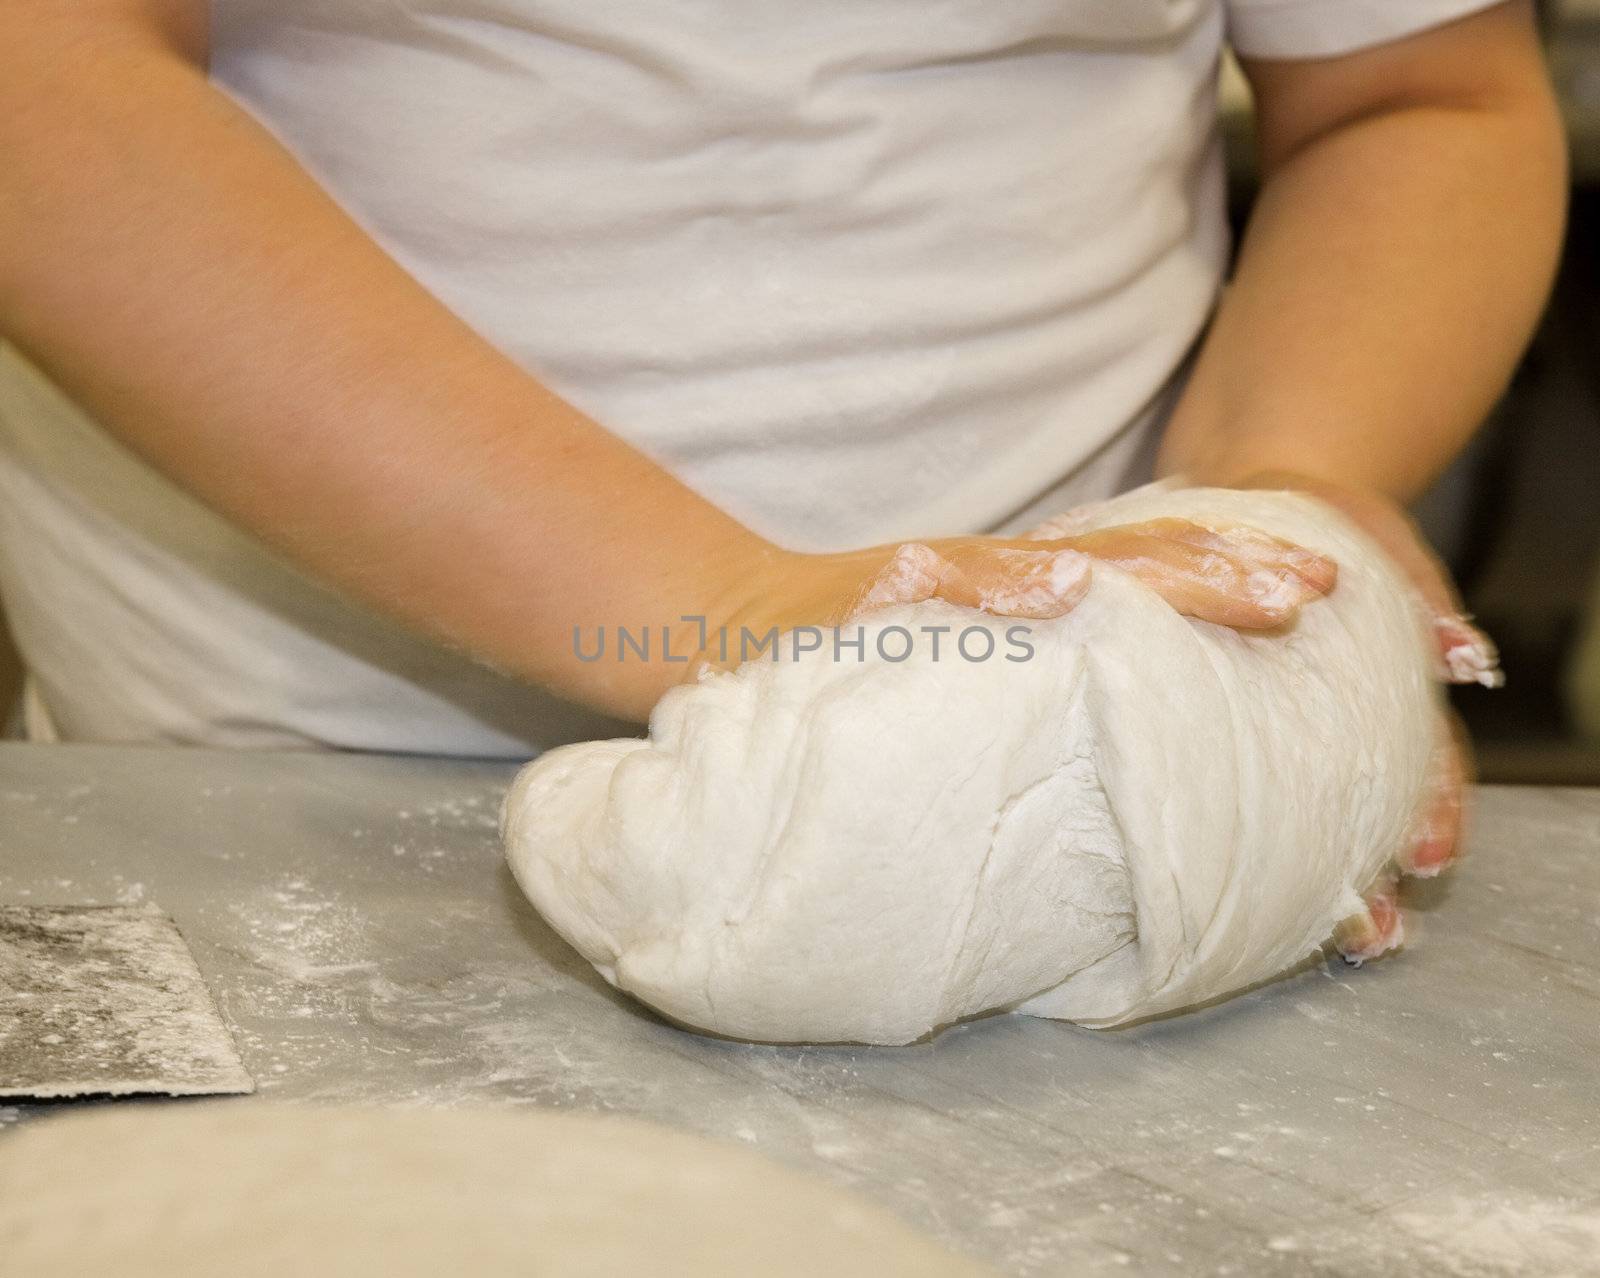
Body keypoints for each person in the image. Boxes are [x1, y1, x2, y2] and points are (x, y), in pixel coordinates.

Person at [0, 2, 1566, 952]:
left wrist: (1269, 494)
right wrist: (710, 601)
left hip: (1065, 737)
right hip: (268, 768)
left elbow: (1415, 91)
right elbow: (44, 83)